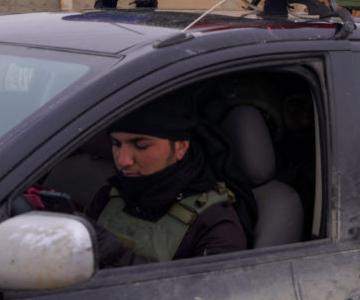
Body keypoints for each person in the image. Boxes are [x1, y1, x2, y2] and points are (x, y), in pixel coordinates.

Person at [84, 95, 247, 267]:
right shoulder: (110, 196)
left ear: (180, 148)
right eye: (116, 144)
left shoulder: (213, 221)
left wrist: (115, 255)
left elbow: (210, 292)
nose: (123, 160)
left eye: (141, 146)